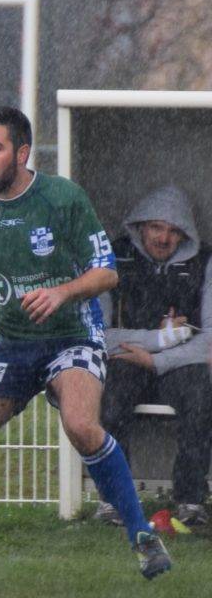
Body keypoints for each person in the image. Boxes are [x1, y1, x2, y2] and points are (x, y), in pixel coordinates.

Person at [0, 105, 172, 580]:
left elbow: (107, 272)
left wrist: (62, 292)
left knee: (82, 426)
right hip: (12, 346)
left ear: (22, 152)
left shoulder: (61, 198)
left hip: (71, 338)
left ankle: (142, 535)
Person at [96, 186, 212, 526]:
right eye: (157, 227)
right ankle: (113, 498)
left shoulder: (204, 263)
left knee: (202, 397)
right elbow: (97, 336)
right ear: (140, 226)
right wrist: (163, 339)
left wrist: (156, 358)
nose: (164, 238)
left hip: (180, 365)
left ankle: (191, 501)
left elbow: (210, 339)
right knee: (109, 399)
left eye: (174, 231)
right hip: (125, 361)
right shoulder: (112, 258)